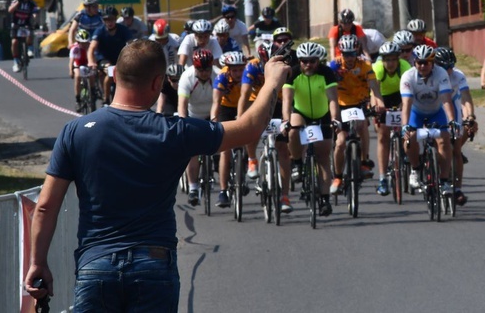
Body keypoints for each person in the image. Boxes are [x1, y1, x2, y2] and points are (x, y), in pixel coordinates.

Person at [24, 39, 289, 311]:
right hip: (153, 266)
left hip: (96, 265)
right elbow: (249, 128)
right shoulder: (175, 132)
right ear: (158, 82)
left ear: (115, 75)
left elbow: (45, 206)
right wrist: (270, 83)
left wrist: (38, 263)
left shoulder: (75, 131)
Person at [283, 41, 341, 217]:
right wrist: (285, 120)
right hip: (301, 112)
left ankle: (324, 200)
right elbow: (287, 101)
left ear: (319, 61)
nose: (308, 64)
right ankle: (298, 163)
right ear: (299, 61)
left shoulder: (327, 73)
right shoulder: (292, 73)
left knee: (323, 159)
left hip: (322, 115)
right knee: (293, 129)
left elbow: (332, 100)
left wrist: (335, 120)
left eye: (313, 61)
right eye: (305, 61)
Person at [238, 41, 295, 213]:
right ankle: (252, 160)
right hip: (256, 102)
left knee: (283, 150)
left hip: (277, 104)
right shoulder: (253, 67)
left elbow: (286, 98)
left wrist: (286, 121)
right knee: (250, 128)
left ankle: (285, 195)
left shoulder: (283, 67)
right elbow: (244, 95)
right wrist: (241, 119)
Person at [328, 34, 385, 193]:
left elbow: (374, 88)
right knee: (340, 142)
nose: (349, 58)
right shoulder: (334, 66)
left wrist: (379, 103)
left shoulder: (365, 66)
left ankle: (364, 161)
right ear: (341, 53)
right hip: (340, 105)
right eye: (346, 54)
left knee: (362, 127)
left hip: (360, 103)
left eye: (352, 53)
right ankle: (338, 177)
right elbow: (327, 88)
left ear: (357, 51)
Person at [400, 44, 458, 197]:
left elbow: (446, 100)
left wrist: (452, 121)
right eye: (420, 62)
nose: (423, 66)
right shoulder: (408, 77)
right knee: (409, 138)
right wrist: (405, 126)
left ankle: (444, 180)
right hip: (416, 112)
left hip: (436, 112)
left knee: (444, 139)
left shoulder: (441, 73)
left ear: (433, 62)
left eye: (427, 62)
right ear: (415, 63)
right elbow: (406, 104)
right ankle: (415, 169)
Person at [434, 47, 477, 206]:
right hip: (434, 107)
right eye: (445, 67)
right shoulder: (432, 75)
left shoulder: (458, 76)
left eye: (451, 66)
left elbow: (466, 98)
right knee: (435, 141)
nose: (449, 70)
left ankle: (458, 188)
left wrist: (470, 116)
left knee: (456, 148)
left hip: (452, 107)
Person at [178, 49, 217, 206]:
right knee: (193, 152)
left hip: (213, 113)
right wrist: (183, 124)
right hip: (193, 116)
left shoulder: (218, 75)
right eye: (200, 69)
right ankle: (193, 187)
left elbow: (221, 101)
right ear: (194, 67)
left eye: (207, 69)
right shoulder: (186, 77)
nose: (204, 73)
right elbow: (182, 105)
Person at [372, 41, 411, 196]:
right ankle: (382, 178)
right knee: (383, 136)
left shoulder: (405, 67)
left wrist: (404, 104)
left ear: (398, 58)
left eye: (393, 59)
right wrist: (376, 105)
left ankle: (407, 154)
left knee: (407, 128)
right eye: (387, 59)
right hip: (382, 97)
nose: (390, 63)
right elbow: (373, 91)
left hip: (401, 95)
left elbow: (409, 91)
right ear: (382, 60)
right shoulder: (377, 69)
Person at [211, 51, 247, 208]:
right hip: (226, 108)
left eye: (241, 69)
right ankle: (223, 191)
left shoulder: (248, 76)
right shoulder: (222, 78)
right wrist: (213, 120)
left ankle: (242, 175)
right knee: (225, 150)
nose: (238, 73)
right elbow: (216, 103)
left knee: (245, 141)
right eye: (235, 70)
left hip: (244, 107)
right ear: (229, 69)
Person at [88, 6, 133, 106]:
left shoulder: (123, 30)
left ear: (116, 19)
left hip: (119, 58)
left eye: (111, 19)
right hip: (103, 59)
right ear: (103, 20)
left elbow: (131, 45)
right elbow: (92, 48)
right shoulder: (99, 31)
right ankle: (106, 100)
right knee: (111, 72)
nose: (109, 22)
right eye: (106, 20)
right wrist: (91, 61)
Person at [8, 0, 39, 72]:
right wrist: (18, 3)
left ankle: (29, 48)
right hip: (16, 24)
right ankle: (16, 61)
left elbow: (35, 14)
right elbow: (10, 10)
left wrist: (35, 20)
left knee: (30, 32)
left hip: (26, 23)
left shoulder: (32, 4)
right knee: (14, 42)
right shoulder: (16, 1)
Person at [68, 28, 95, 112]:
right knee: (77, 76)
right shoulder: (74, 48)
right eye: (82, 43)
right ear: (78, 42)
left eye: (86, 43)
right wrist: (70, 71)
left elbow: (94, 58)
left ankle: (92, 91)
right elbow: (71, 62)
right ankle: (78, 99)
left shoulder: (90, 46)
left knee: (92, 75)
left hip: (87, 63)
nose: (84, 45)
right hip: (78, 64)